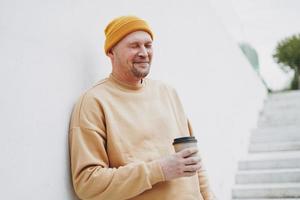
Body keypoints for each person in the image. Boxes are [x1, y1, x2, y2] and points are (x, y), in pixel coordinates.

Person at [69, 15, 215, 200]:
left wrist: (209, 196)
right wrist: (158, 170)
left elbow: (193, 160)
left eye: (148, 45)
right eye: (134, 46)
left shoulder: (167, 93)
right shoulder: (94, 102)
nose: (144, 52)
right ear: (111, 52)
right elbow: (87, 183)